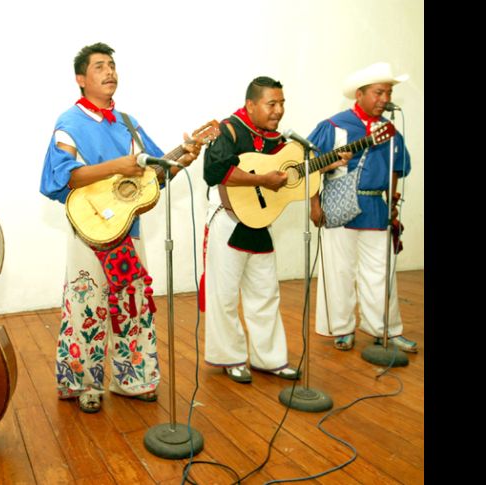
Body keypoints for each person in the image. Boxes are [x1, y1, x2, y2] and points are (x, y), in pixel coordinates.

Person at [39, 42, 200, 413]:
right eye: (99, 67)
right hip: (88, 228)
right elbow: (61, 178)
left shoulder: (129, 123)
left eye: (112, 65)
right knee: (87, 303)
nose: (109, 72)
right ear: (81, 79)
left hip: (128, 226)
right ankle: (84, 384)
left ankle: (134, 379)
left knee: (133, 303)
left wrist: (183, 159)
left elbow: (153, 173)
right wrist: (117, 167)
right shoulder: (70, 123)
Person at [201, 76, 346, 384]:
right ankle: (231, 358)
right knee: (224, 295)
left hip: (259, 222)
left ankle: (271, 359)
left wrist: (328, 163)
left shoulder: (280, 141)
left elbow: (294, 173)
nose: (279, 110)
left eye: (282, 103)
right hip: (227, 219)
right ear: (251, 105)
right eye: (272, 104)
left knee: (266, 293)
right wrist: (261, 181)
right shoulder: (227, 129)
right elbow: (214, 171)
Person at [307, 62, 416, 353]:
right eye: (379, 92)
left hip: (375, 207)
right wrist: (314, 205)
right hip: (339, 206)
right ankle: (342, 329)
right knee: (339, 270)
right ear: (360, 94)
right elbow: (310, 166)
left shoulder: (389, 129)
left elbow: (397, 167)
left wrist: (392, 202)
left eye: (388, 92)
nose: (385, 98)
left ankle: (386, 330)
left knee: (381, 271)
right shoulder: (333, 126)